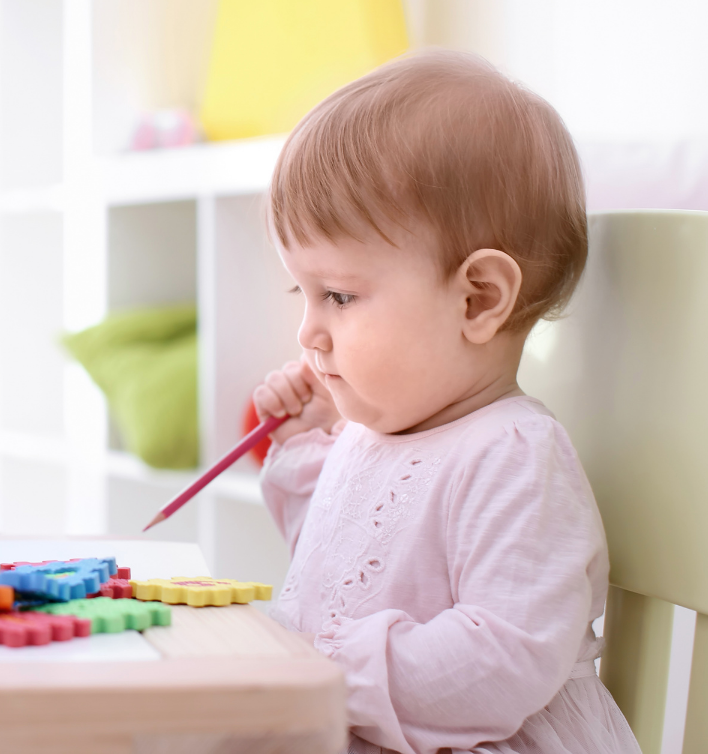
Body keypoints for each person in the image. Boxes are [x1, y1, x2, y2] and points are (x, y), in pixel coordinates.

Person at [250, 51, 641, 754]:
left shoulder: (515, 454)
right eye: (301, 294)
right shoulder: (375, 433)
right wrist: (308, 443)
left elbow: (502, 657)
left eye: (337, 295)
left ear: (478, 298)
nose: (309, 330)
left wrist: (328, 671)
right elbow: (339, 568)